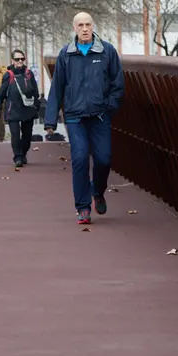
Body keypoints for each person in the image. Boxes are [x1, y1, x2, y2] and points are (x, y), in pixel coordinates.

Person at [44, 12, 125, 225]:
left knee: (103, 160)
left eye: (88, 24)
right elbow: (57, 88)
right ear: (74, 29)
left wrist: (110, 107)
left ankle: (97, 191)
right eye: (80, 25)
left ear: (93, 26)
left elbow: (118, 84)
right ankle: (83, 207)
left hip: (100, 115)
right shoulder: (66, 54)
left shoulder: (106, 51)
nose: (85, 28)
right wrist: (50, 121)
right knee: (79, 158)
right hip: (74, 116)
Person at [0, 49, 41, 168]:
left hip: (28, 109)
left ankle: (23, 153)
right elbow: (1, 93)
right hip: (13, 109)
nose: (20, 61)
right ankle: (18, 157)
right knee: (15, 135)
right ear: (12, 61)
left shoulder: (29, 74)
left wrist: (37, 104)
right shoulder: (8, 75)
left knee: (27, 137)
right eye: (17, 59)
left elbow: (35, 91)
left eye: (22, 59)